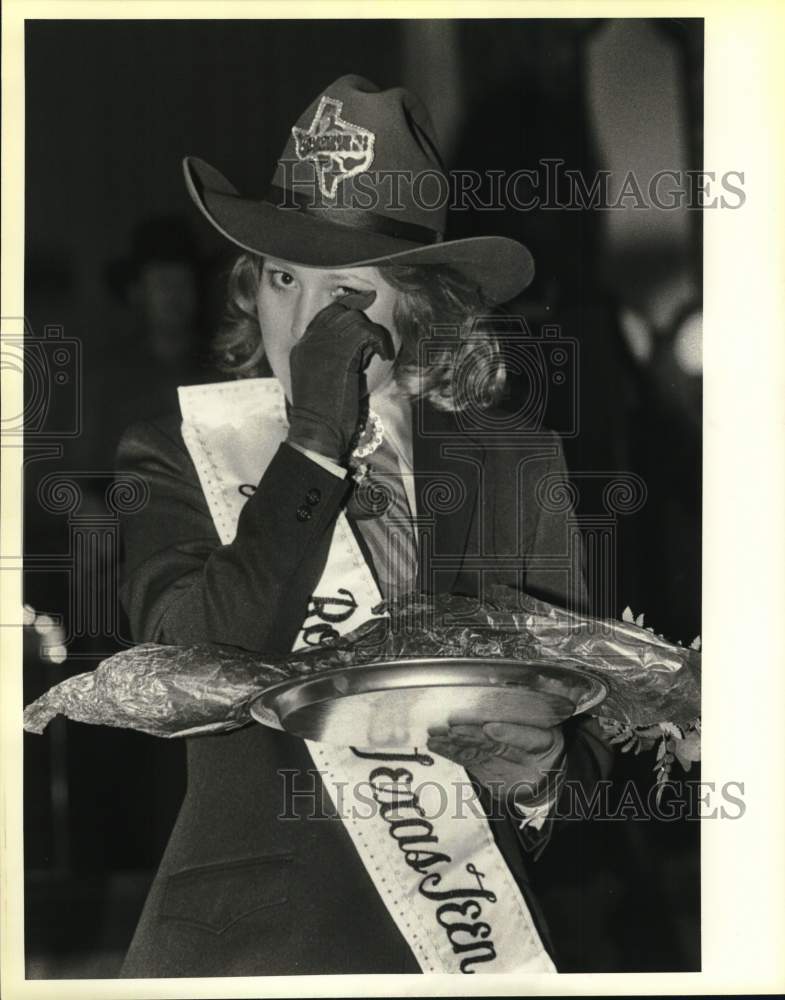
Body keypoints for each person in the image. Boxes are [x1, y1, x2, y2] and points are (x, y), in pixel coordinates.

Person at [116, 75, 613, 977]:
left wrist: (542, 781)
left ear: (417, 310)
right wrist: (311, 444)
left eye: (345, 293)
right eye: (279, 279)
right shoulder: (174, 454)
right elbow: (183, 669)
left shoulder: (513, 465)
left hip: (465, 944)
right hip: (249, 952)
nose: (304, 325)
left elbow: (592, 745)